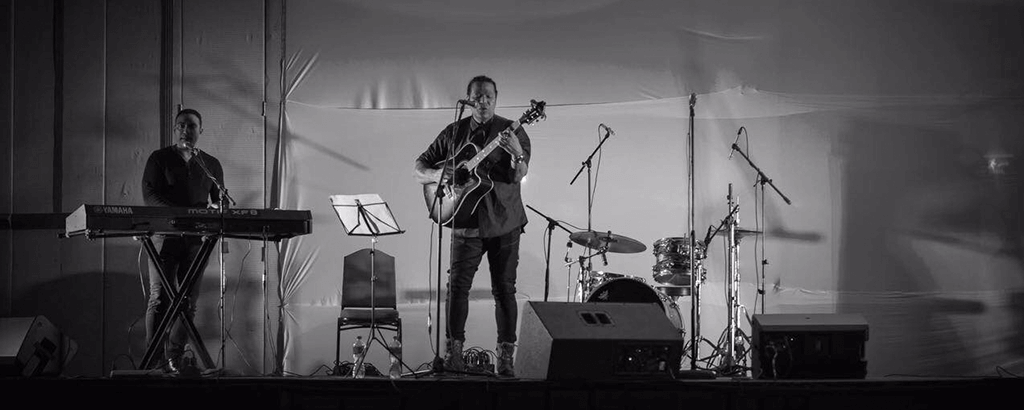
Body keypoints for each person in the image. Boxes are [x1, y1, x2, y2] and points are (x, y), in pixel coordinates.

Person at [414, 75, 531, 377]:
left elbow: (518, 176)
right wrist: (443, 176)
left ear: (496, 98)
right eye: (477, 96)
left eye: (489, 96)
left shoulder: (512, 131)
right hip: (464, 220)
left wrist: (516, 150)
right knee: (457, 290)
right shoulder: (455, 132)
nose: (483, 101)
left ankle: (505, 359)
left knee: (504, 290)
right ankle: (454, 354)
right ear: (468, 99)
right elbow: (420, 167)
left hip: (504, 220)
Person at [141, 108, 224, 373]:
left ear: (200, 130)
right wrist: (177, 215)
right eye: (180, 125)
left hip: (195, 239)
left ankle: (174, 356)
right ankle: (155, 361)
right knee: (160, 298)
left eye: (190, 126)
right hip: (164, 236)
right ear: (175, 129)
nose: (184, 130)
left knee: (188, 301)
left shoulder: (209, 163)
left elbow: (219, 199)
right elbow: (149, 194)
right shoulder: (159, 158)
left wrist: (214, 211)